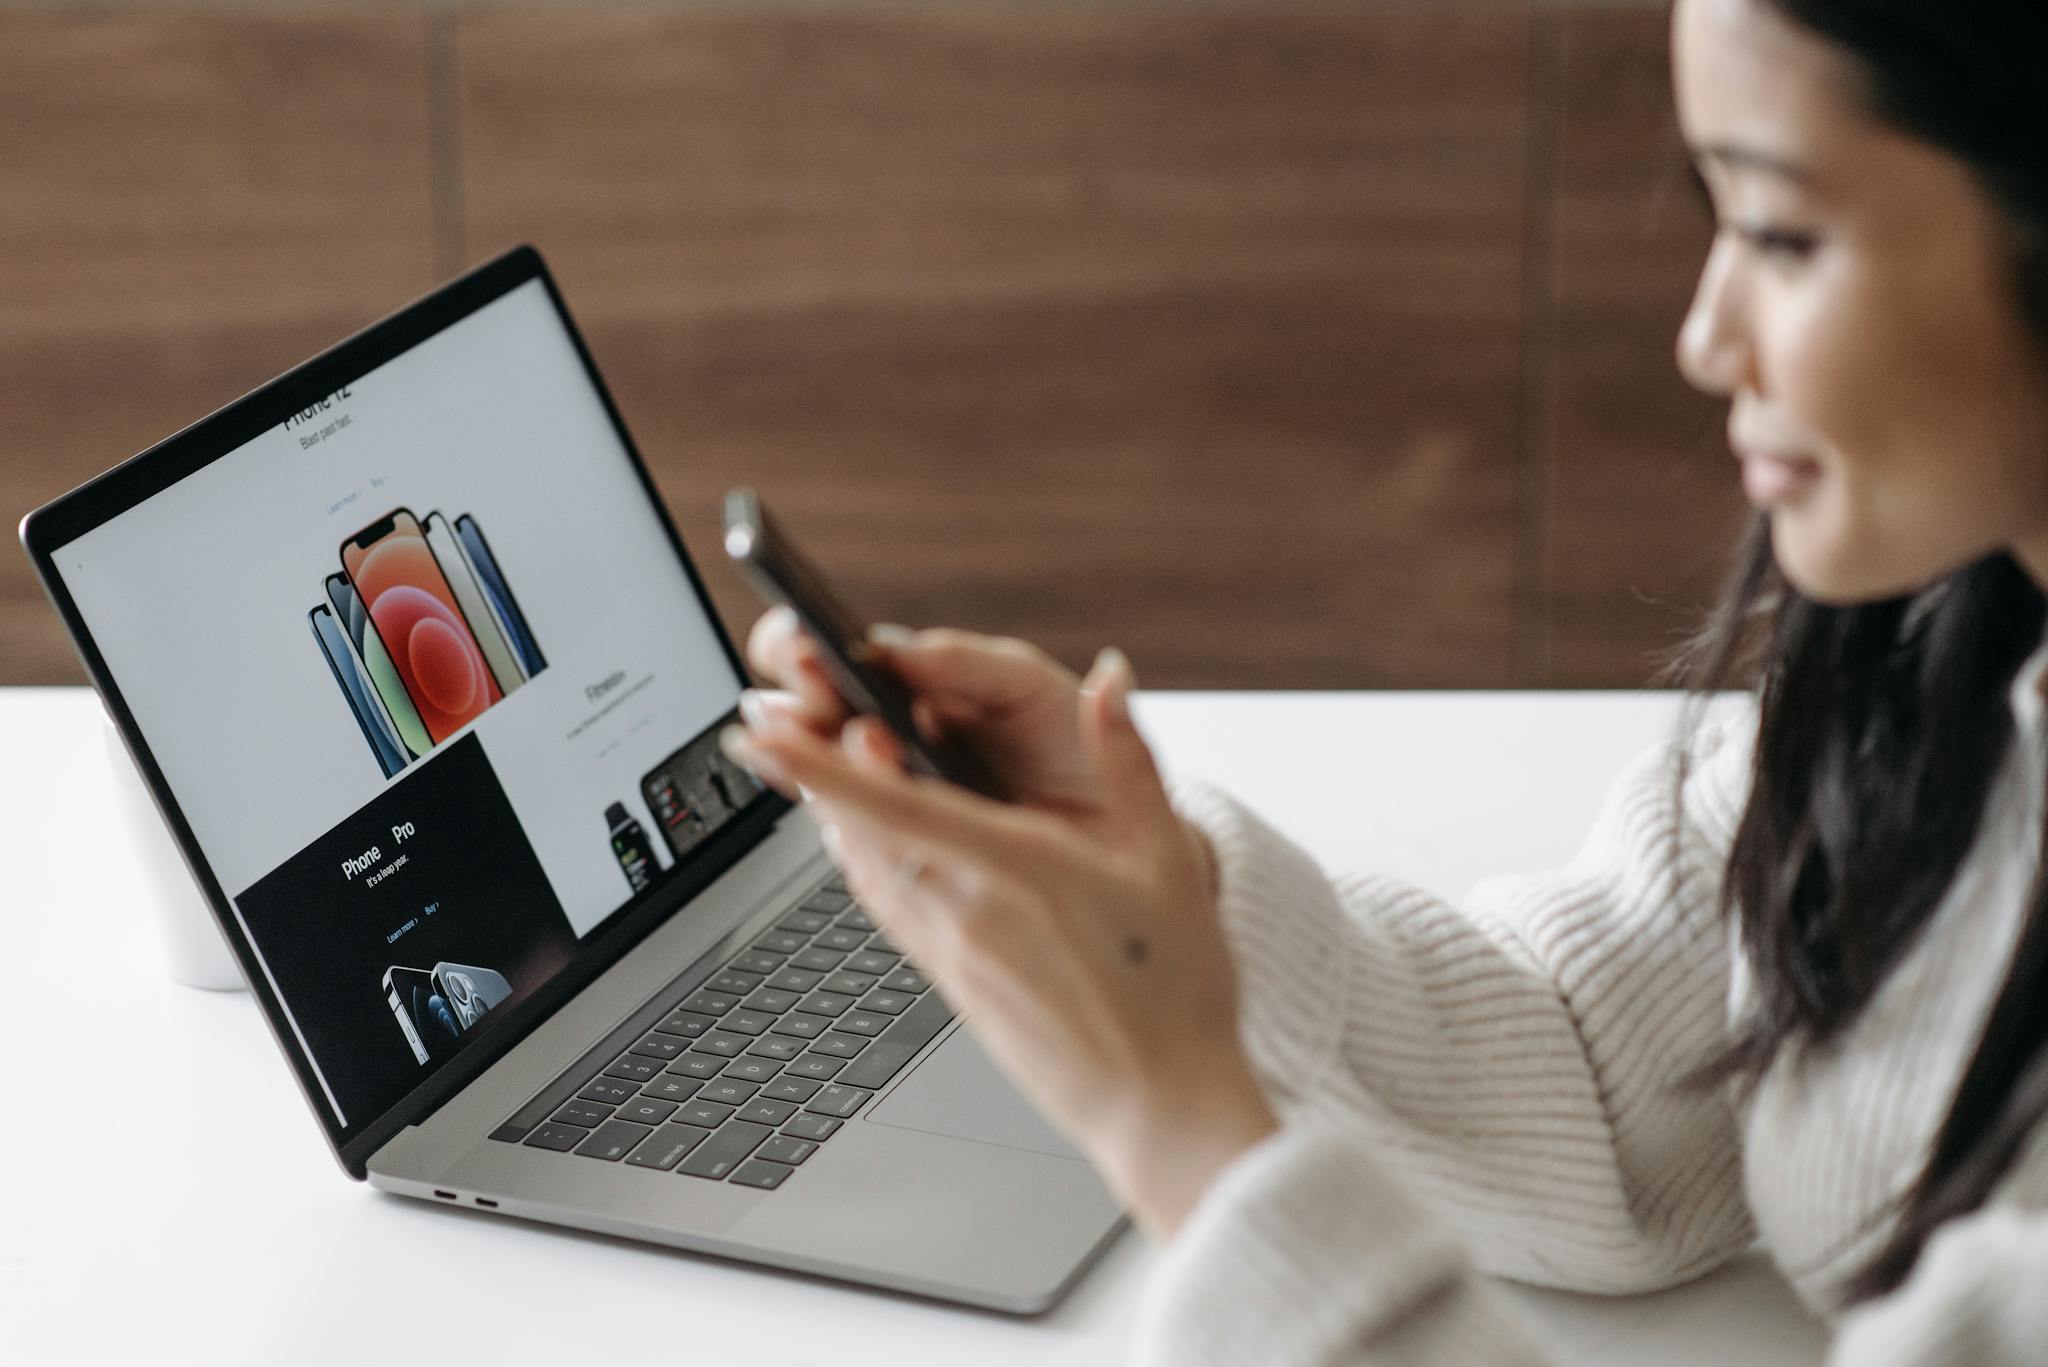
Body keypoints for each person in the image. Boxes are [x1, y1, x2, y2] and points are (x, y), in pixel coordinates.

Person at [721, 0, 2048, 1359]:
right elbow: (1603, 1085)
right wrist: (1179, 900)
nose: (1705, 338)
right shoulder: (1951, 657)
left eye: (1780, 234)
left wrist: (1174, 1123)